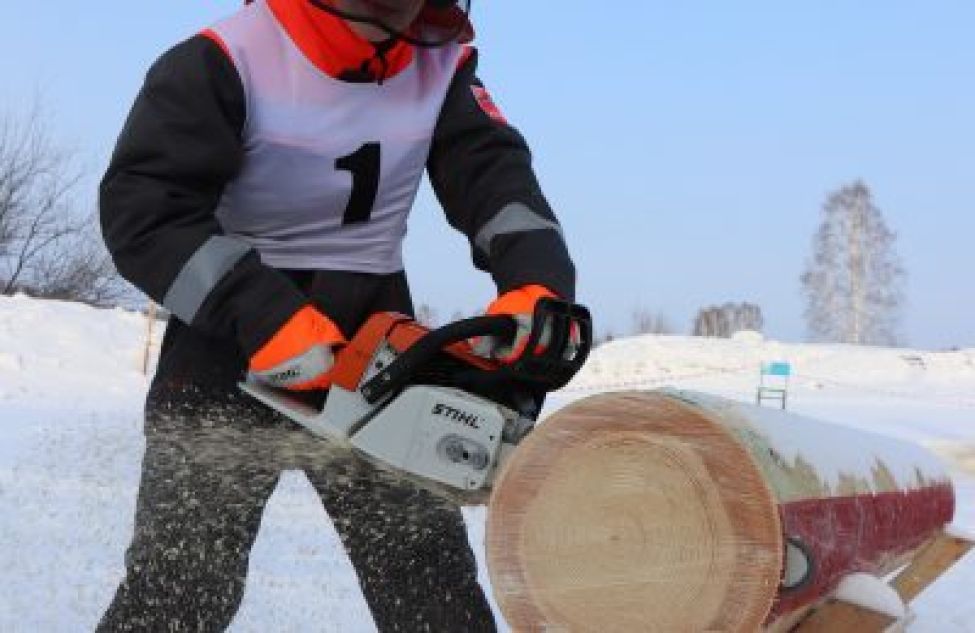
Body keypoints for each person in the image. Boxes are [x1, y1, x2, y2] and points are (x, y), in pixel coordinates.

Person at [97, 0, 576, 630]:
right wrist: (259, 314)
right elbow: (145, 210)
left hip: (378, 354)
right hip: (225, 347)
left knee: (430, 588)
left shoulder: (442, 66)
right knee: (179, 588)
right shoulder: (223, 59)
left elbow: (494, 178)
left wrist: (536, 280)